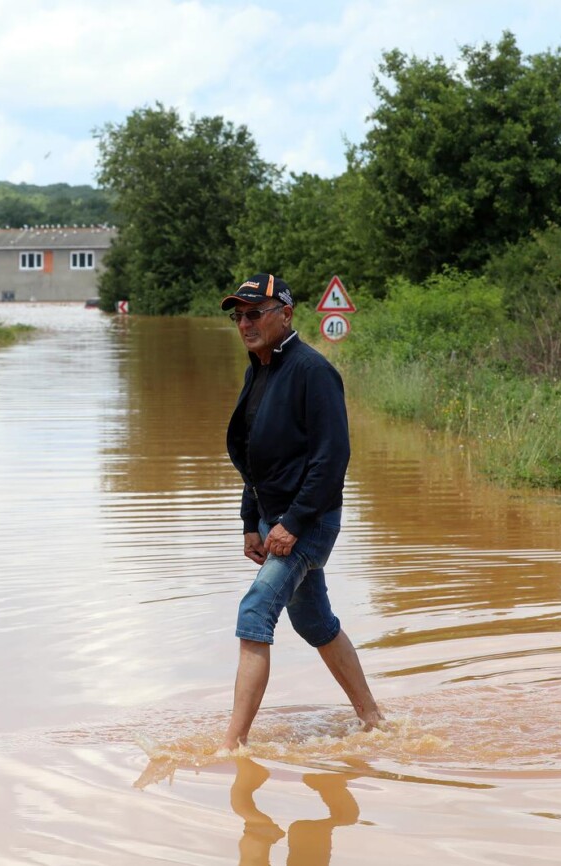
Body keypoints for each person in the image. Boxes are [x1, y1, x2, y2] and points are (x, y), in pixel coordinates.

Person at [219, 273, 384, 751]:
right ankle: (373, 720)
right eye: (239, 316)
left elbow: (332, 458)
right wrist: (251, 520)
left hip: (308, 522)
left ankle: (232, 746)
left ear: (285, 314)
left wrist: (292, 523)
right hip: (276, 522)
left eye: (255, 313)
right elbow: (254, 457)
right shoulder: (259, 370)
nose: (245, 323)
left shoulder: (313, 371)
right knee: (315, 622)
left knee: (255, 610)